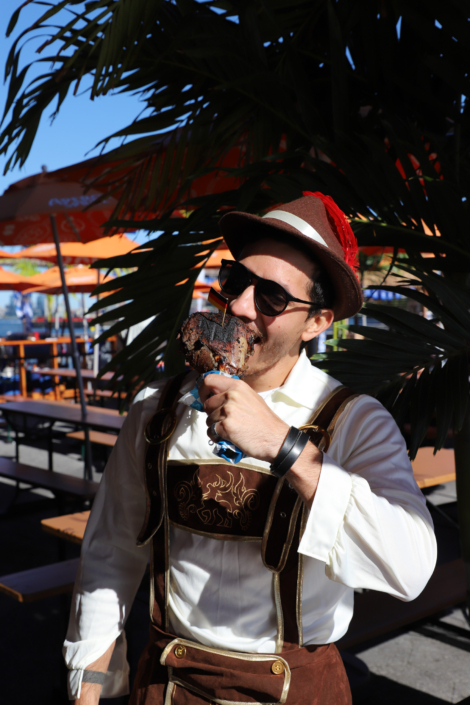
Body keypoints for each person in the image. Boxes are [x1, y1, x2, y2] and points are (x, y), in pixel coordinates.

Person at [64, 192, 437, 705]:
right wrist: (91, 684)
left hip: (297, 690)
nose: (239, 306)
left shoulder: (354, 421)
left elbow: (410, 568)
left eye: (272, 298)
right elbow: (110, 553)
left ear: (317, 322)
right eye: (236, 282)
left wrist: (288, 449)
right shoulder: (157, 408)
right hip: (166, 685)